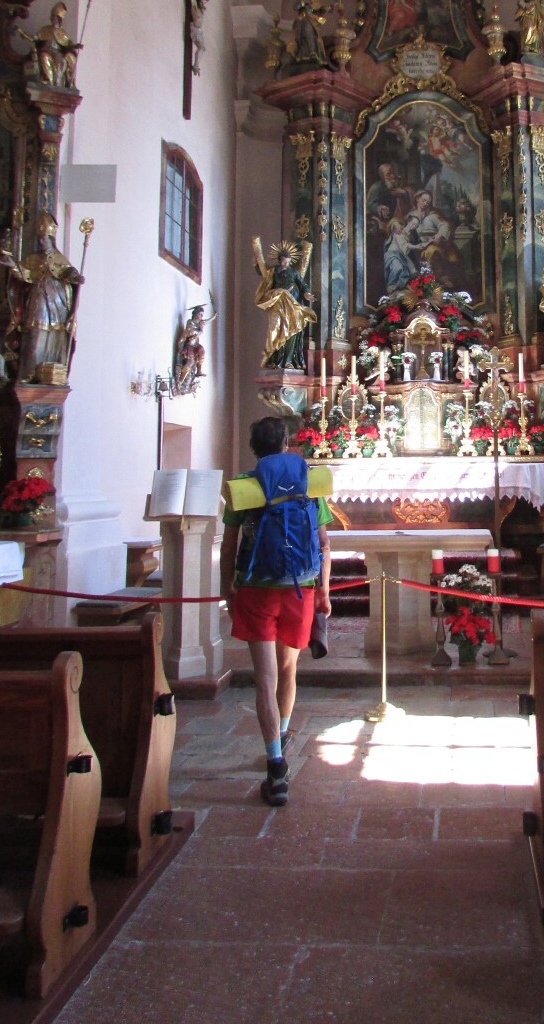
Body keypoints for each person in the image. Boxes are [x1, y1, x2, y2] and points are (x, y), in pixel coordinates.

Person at [220, 416, 331, 807]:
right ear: (286, 443)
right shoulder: (310, 482)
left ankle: (275, 766)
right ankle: (282, 734)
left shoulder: (243, 486)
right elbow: (324, 543)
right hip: (299, 588)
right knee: (288, 670)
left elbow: (229, 545)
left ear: (254, 448)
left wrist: (227, 586)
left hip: (256, 587)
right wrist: (324, 590)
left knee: (264, 679)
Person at [0, 213, 83, 381]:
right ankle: (30, 374)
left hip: (58, 303)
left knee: (55, 336)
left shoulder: (59, 258)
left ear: (51, 239)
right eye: (40, 239)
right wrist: (13, 266)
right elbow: (26, 274)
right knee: (35, 336)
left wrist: (75, 277)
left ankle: (52, 375)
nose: (42, 242)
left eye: (44, 239)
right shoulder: (33, 259)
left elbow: (68, 272)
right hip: (39, 300)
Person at [252, 237, 316, 368]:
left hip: (293, 303)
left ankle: (288, 360)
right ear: (279, 260)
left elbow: (302, 284)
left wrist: (307, 294)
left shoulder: (294, 272)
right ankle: (274, 358)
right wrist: (256, 262)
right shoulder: (273, 271)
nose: (285, 264)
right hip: (278, 302)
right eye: (283, 261)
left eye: (287, 262)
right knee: (275, 329)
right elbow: (263, 271)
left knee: (292, 330)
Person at [17, 2, 81, 87]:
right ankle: (48, 81)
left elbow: (69, 44)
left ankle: (58, 84)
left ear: (59, 20)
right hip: (46, 50)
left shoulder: (62, 33)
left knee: (61, 61)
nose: (54, 19)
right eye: (53, 17)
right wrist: (23, 34)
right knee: (44, 56)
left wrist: (76, 46)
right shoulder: (45, 29)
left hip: (56, 53)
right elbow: (35, 38)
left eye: (56, 18)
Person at [175, 300, 218, 390]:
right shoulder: (190, 322)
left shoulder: (200, 323)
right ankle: (180, 381)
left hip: (196, 345)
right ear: (195, 314)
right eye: (200, 314)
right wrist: (200, 330)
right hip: (189, 345)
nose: (202, 316)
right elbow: (190, 332)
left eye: (202, 315)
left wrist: (214, 316)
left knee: (202, 351)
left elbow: (207, 321)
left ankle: (199, 370)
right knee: (190, 362)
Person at [174, 0, 209, 76]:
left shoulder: (200, 9)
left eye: (205, 3)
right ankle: (196, 66)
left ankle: (196, 66)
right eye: (202, 2)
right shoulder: (194, 5)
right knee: (201, 48)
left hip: (198, 30)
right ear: (199, 1)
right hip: (194, 28)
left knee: (203, 48)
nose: (203, 4)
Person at [291, 0, 330, 66]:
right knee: (299, 37)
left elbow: (319, 9)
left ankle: (312, 51)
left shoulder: (315, 0)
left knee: (309, 34)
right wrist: (303, 3)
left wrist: (324, 9)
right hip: (301, 19)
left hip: (310, 20)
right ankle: (299, 53)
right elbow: (295, 7)